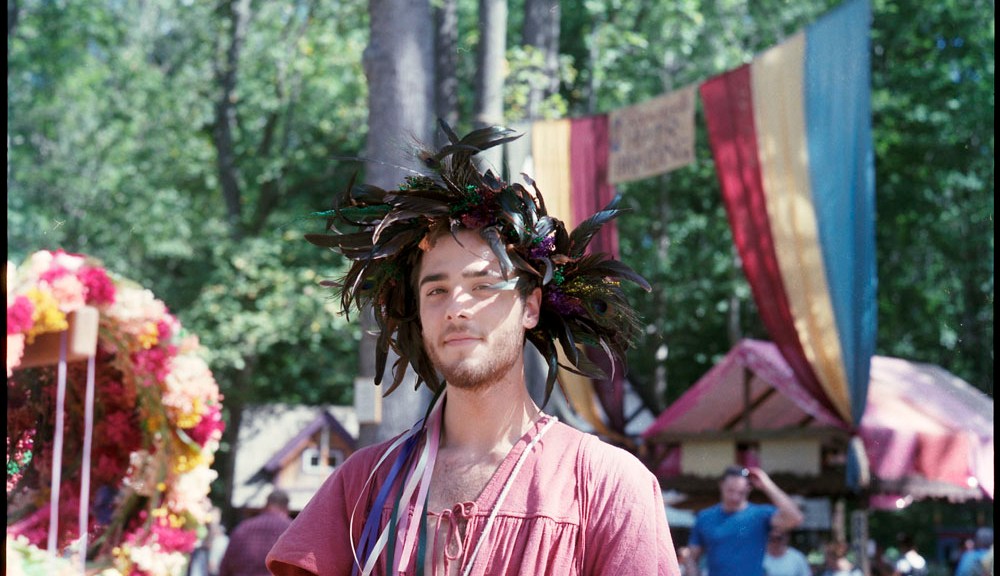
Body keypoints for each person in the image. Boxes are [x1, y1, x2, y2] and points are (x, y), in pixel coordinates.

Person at [266, 123, 682, 575]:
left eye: (483, 286)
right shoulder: (364, 483)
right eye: (436, 291)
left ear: (530, 306)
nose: (456, 307)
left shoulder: (607, 484)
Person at [683, 465, 804, 576]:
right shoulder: (705, 517)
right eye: (731, 491)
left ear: (748, 489)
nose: (735, 497)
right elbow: (692, 557)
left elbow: (795, 518)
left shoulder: (760, 515)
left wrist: (767, 484)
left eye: (740, 492)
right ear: (721, 485)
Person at [219, 489, 292, 576]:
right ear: (287, 508)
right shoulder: (291, 530)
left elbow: (225, 567)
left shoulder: (243, 528)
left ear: (266, 505)